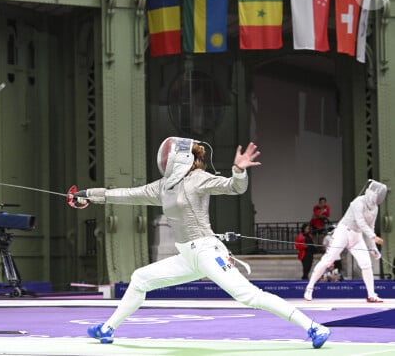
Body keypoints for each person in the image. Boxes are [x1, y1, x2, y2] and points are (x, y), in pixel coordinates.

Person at [72, 137, 330, 349]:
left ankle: (313, 327)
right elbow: (127, 194)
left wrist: (238, 171)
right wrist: (89, 195)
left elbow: (233, 188)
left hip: (207, 251)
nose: (164, 159)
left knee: (248, 295)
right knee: (140, 278)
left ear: (180, 157)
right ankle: (107, 329)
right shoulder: (163, 187)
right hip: (186, 257)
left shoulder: (198, 179)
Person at [304, 179, 386, 303]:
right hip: (343, 232)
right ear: (372, 192)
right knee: (328, 260)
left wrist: (372, 247)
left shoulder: (375, 208)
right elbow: (360, 222)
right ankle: (309, 288)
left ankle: (371, 295)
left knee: (366, 264)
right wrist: (373, 236)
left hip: (356, 237)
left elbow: (370, 226)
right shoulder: (357, 202)